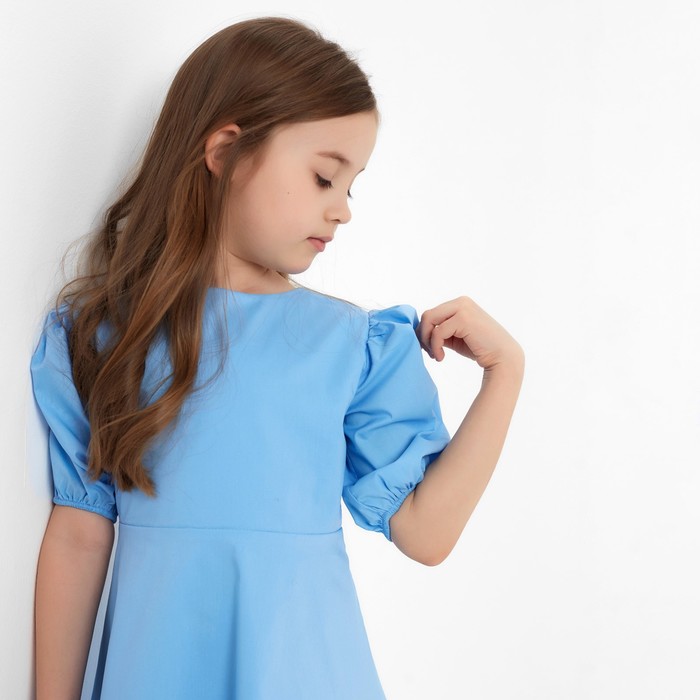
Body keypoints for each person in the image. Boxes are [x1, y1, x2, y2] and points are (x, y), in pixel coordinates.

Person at [30, 15, 525, 700]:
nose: (343, 210)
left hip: (306, 672)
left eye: (350, 187)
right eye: (325, 178)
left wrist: (505, 374)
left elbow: (426, 533)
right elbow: (79, 536)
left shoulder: (352, 345)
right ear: (225, 150)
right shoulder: (105, 336)